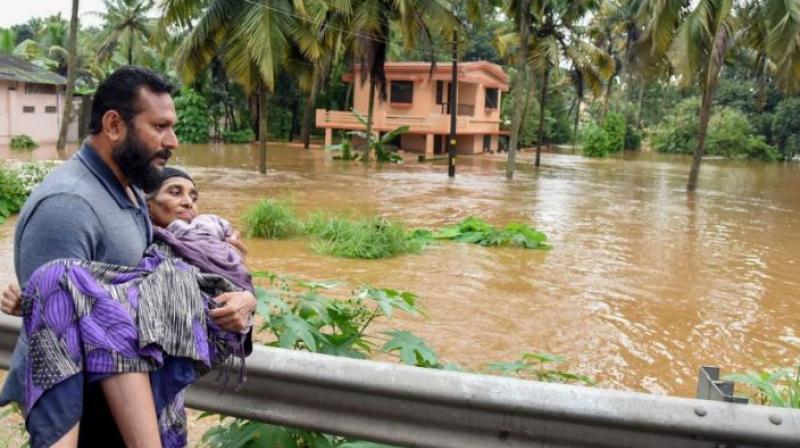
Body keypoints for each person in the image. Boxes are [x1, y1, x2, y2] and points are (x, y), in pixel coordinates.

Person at [0, 66, 256, 448]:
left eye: (172, 127)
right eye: (160, 127)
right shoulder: (68, 206)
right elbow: (51, 342)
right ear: (114, 125)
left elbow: (156, 288)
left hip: (135, 409)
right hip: (95, 420)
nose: (173, 141)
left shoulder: (131, 192)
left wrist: (241, 297)